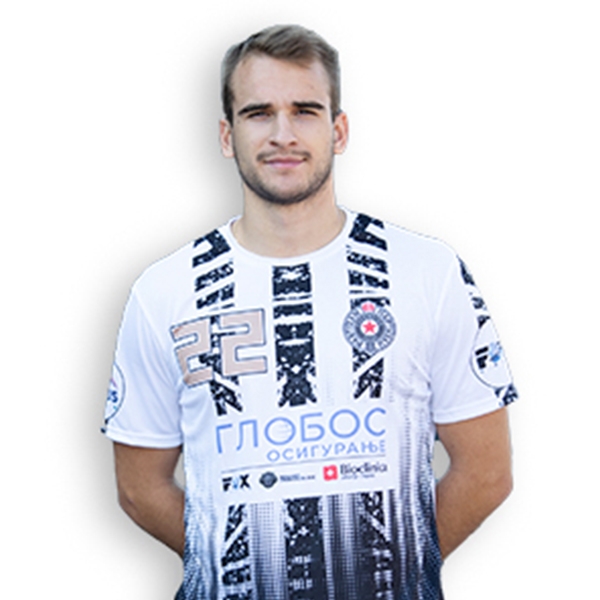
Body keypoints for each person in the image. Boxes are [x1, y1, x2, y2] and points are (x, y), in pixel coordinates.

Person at [103, 24, 517, 600]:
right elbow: (139, 487)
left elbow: (488, 473)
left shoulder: (428, 272)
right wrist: (243, 574)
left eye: (305, 111)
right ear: (226, 135)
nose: (283, 134)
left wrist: (382, 576)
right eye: (258, 114)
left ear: (338, 130)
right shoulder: (164, 291)